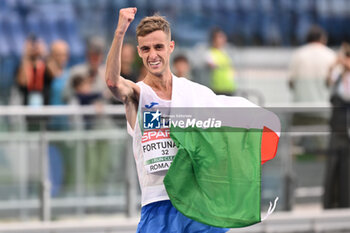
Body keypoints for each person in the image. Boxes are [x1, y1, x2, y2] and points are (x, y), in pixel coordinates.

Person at [105, 8, 229, 233]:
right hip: (159, 206)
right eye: (145, 49)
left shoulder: (196, 92)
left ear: (170, 47)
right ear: (139, 53)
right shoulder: (138, 95)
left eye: (158, 47)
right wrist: (120, 31)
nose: (152, 55)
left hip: (200, 201)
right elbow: (113, 83)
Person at [288, 25, 336, 124]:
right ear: (323, 38)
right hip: (323, 111)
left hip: (300, 110)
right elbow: (334, 84)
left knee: (298, 137)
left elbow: (290, 83)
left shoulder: (298, 54)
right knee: (322, 138)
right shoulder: (331, 55)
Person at [323, 41, 350, 209]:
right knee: (333, 167)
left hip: (347, 130)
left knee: (347, 170)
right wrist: (333, 66)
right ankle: (332, 203)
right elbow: (328, 82)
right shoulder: (340, 76)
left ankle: (345, 202)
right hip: (337, 128)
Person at [64, 36, 107, 103]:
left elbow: (111, 97)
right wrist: (79, 92)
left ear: (102, 56)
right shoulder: (76, 71)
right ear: (87, 54)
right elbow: (65, 95)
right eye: (93, 54)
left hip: (101, 112)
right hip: (80, 112)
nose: (96, 58)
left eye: (98, 54)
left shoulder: (106, 73)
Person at [206, 27, 236, 95]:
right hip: (217, 89)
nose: (223, 39)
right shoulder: (210, 53)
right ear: (213, 39)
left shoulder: (226, 52)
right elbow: (211, 65)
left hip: (229, 87)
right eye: (220, 37)